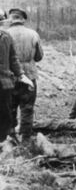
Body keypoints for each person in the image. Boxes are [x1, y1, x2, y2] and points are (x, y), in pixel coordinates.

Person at [7, 8, 43, 143]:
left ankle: (11, 137)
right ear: (23, 19)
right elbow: (39, 57)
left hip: (9, 77)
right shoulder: (33, 34)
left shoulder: (4, 34)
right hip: (30, 75)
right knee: (27, 108)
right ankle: (26, 139)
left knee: (10, 107)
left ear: (11, 19)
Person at [0, 9, 33, 142]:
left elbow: (13, 58)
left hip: (5, 83)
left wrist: (22, 75)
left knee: (5, 115)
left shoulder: (6, 37)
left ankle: (3, 144)